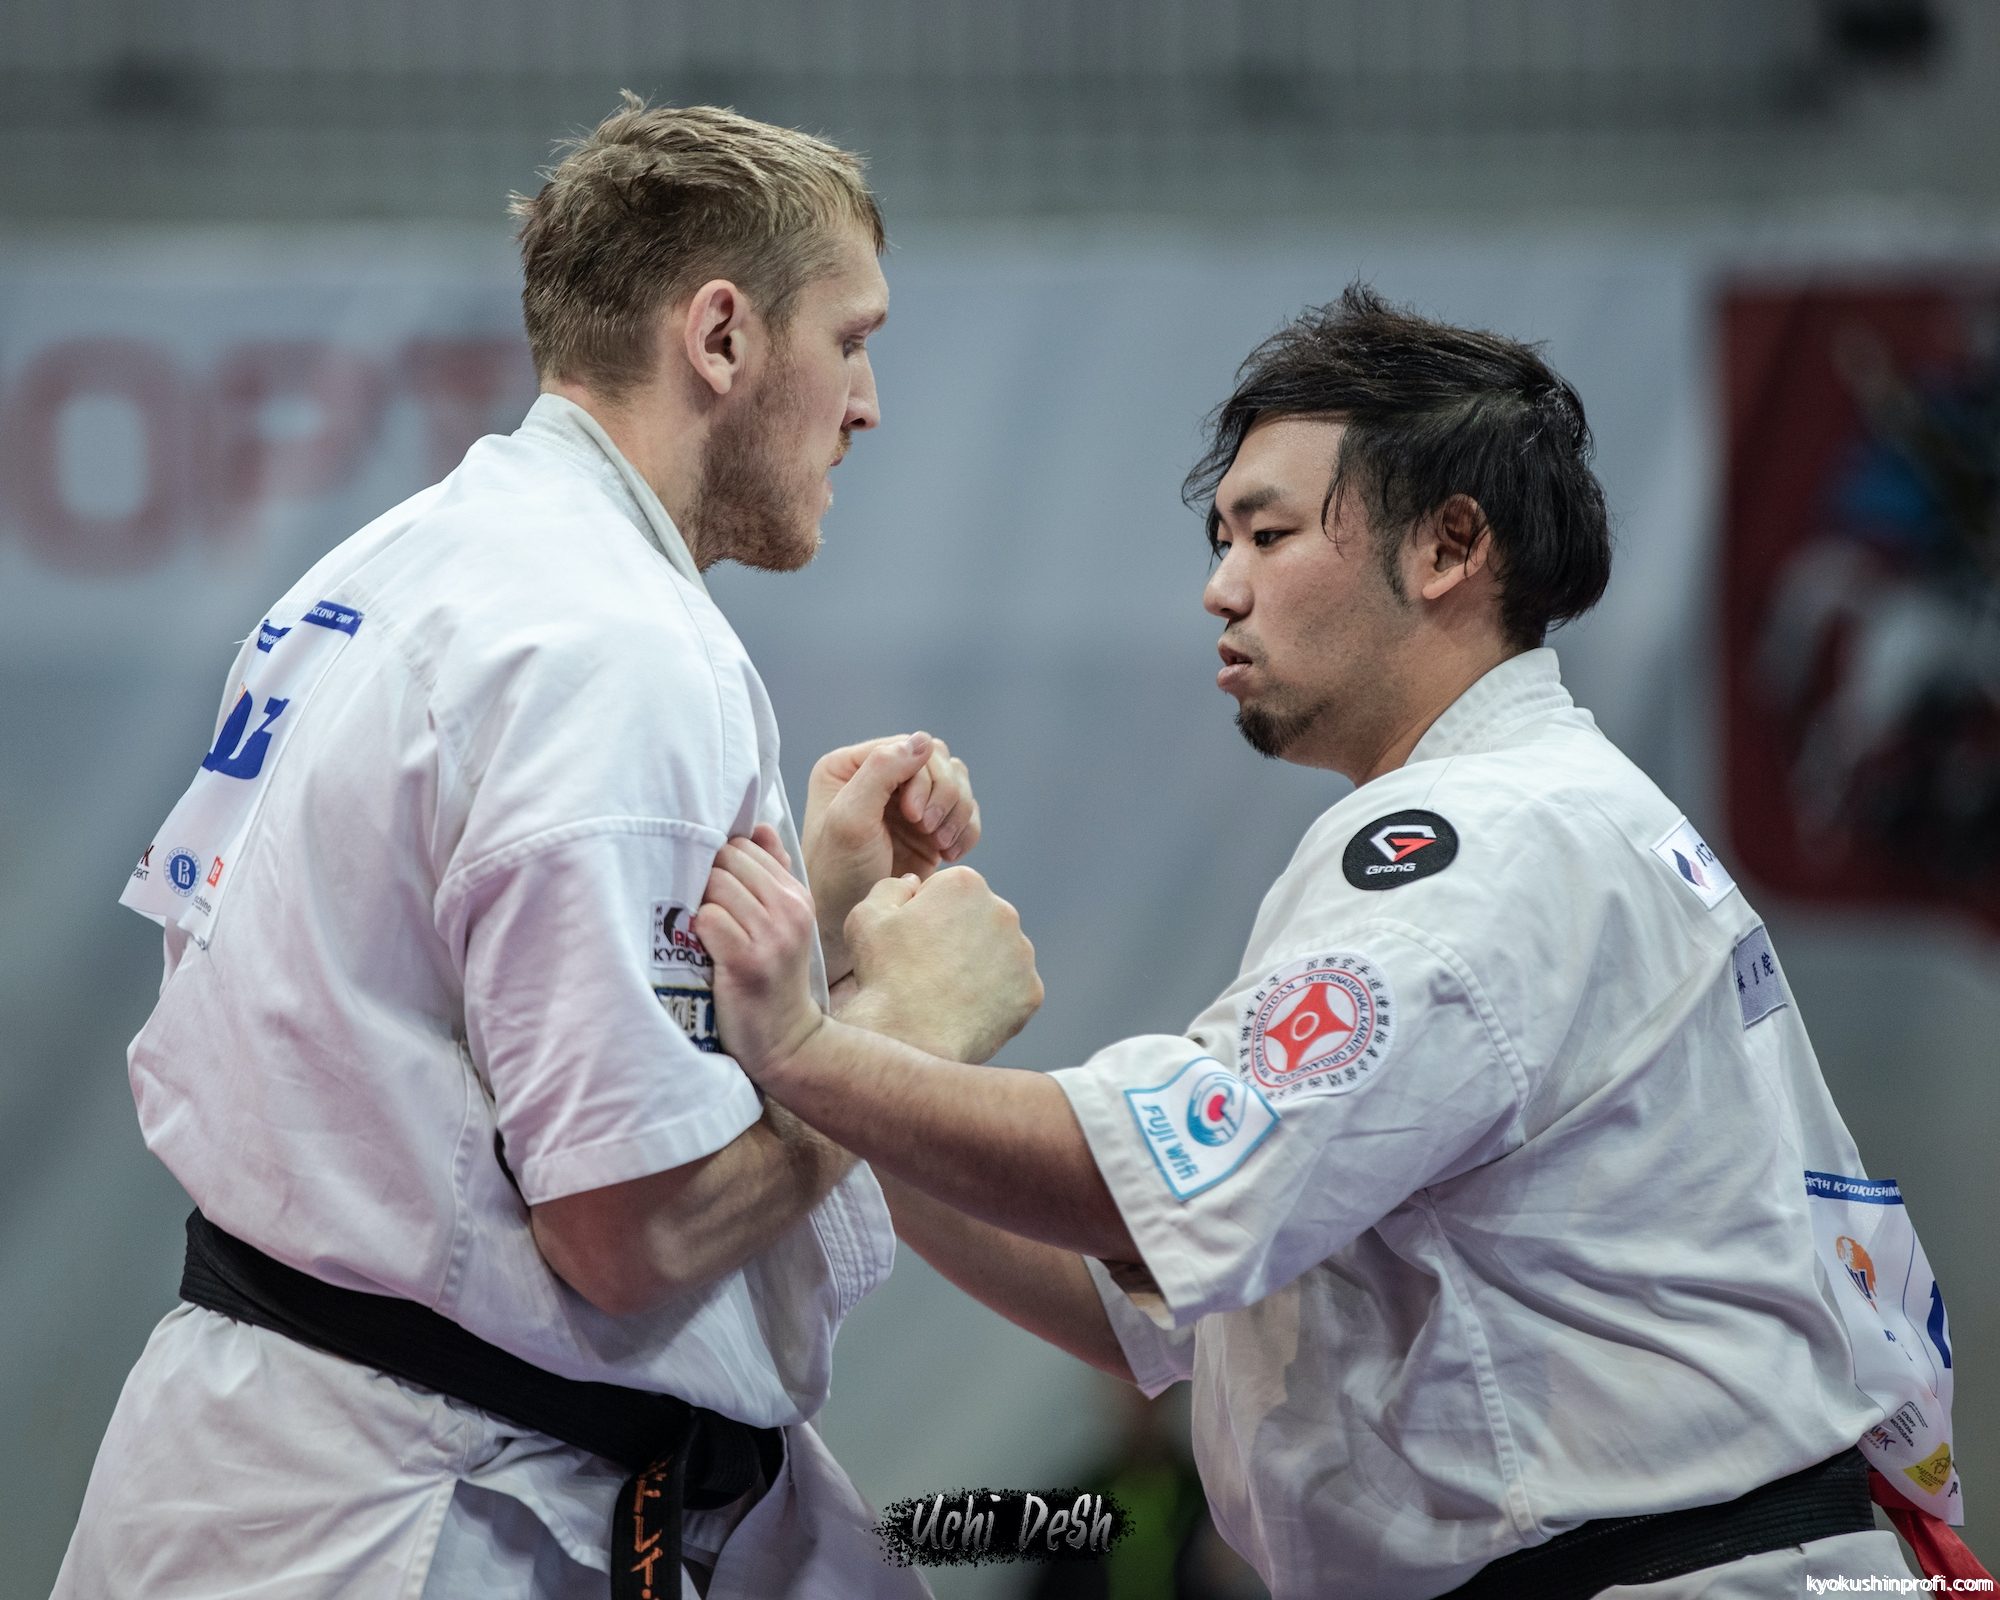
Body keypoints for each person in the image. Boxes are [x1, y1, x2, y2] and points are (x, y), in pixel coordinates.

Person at [695, 287, 1957, 1598]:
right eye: (1220, 539)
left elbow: (1148, 1189)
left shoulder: (1477, 841)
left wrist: (806, 1047)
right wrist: (854, 1056)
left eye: (1269, 533)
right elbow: (1138, 1293)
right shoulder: (1554, 812)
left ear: (1449, 546)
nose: (1219, 587)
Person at [55, 97, 997, 1600]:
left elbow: (439, 994)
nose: (868, 403)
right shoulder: (615, 648)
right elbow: (633, 1235)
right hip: (416, 1513)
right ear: (722, 335)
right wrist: (902, 1031)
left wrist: (815, 919)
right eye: (853, 339)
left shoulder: (395, 562)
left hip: (270, 1453)